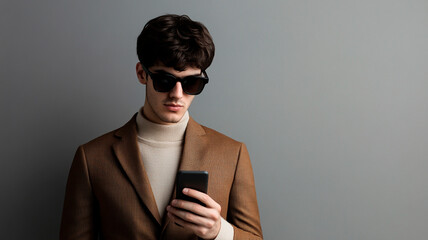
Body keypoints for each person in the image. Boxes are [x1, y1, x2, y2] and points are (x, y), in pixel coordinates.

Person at [60, 14, 263, 240]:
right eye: (164, 81)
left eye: (191, 83)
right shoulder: (92, 158)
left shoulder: (232, 154)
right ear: (141, 74)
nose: (177, 94)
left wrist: (219, 232)